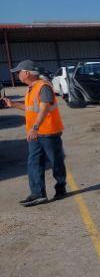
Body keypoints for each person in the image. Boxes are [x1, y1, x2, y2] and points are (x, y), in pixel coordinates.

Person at [1, 60, 67, 206]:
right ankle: (38, 193)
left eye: (19, 72)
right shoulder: (31, 88)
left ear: (27, 73)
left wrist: (35, 127)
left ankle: (61, 187)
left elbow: (43, 108)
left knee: (56, 162)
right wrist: (13, 104)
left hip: (48, 132)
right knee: (34, 163)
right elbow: (31, 108)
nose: (18, 75)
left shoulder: (43, 87)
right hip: (35, 134)